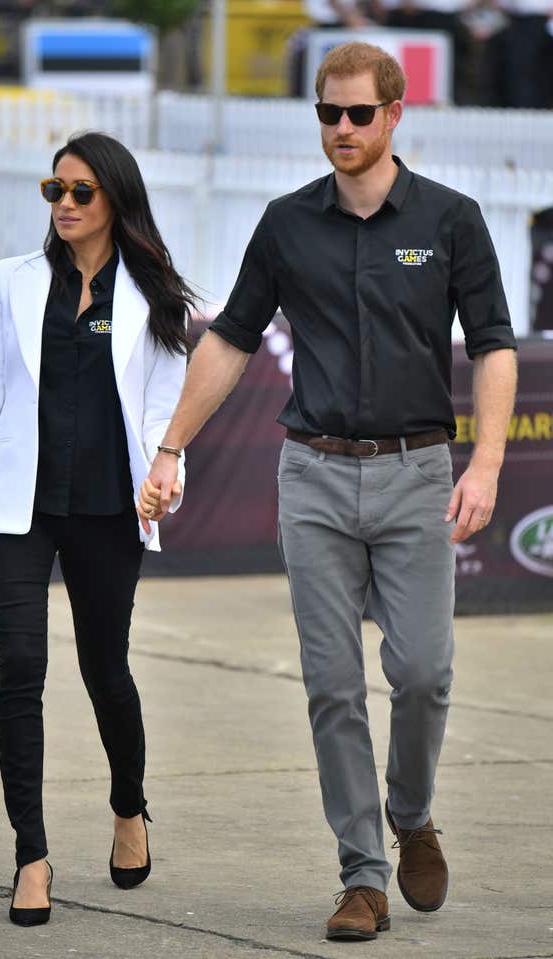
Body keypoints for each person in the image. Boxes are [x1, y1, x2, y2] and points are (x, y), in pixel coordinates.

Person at [137, 41, 517, 942]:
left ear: (393, 116)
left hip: (417, 471)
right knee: (332, 685)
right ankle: (362, 875)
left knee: (423, 672)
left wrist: (489, 461)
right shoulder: (284, 224)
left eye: (356, 113)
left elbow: (494, 343)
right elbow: (230, 340)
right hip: (310, 473)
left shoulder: (453, 219)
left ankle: (412, 812)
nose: (340, 129)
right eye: (326, 113)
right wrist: (169, 450)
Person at [0, 132, 191, 926]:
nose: (67, 204)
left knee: (105, 667)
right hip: (18, 509)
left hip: (112, 507)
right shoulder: (14, 281)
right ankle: (31, 856)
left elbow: (166, 420)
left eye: (82, 191)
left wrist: (165, 481)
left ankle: (128, 806)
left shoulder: (155, 296)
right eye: (57, 190)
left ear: (115, 196)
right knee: (22, 668)